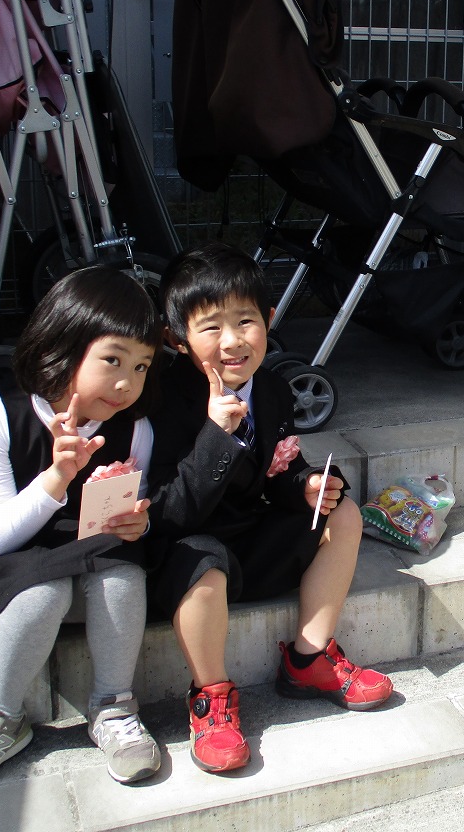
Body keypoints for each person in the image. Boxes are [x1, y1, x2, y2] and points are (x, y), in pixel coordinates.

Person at [147, 242, 393, 775]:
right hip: (187, 558)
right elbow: (168, 513)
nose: (232, 341)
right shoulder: (162, 399)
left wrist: (306, 486)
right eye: (210, 327)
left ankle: (309, 657)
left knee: (343, 513)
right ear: (176, 337)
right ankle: (210, 697)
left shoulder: (274, 389)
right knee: (201, 559)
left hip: (250, 541)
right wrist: (216, 433)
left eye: (246, 321)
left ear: (270, 319)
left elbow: (281, 468)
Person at [0, 266, 163, 797]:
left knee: (122, 576)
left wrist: (140, 519)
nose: (126, 383)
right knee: (44, 590)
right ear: (64, 344)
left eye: (141, 366)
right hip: (19, 566)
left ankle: (114, 708)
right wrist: (58, 476)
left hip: (97, 562)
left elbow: (138, 500)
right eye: (112, 360)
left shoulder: (134, 426)